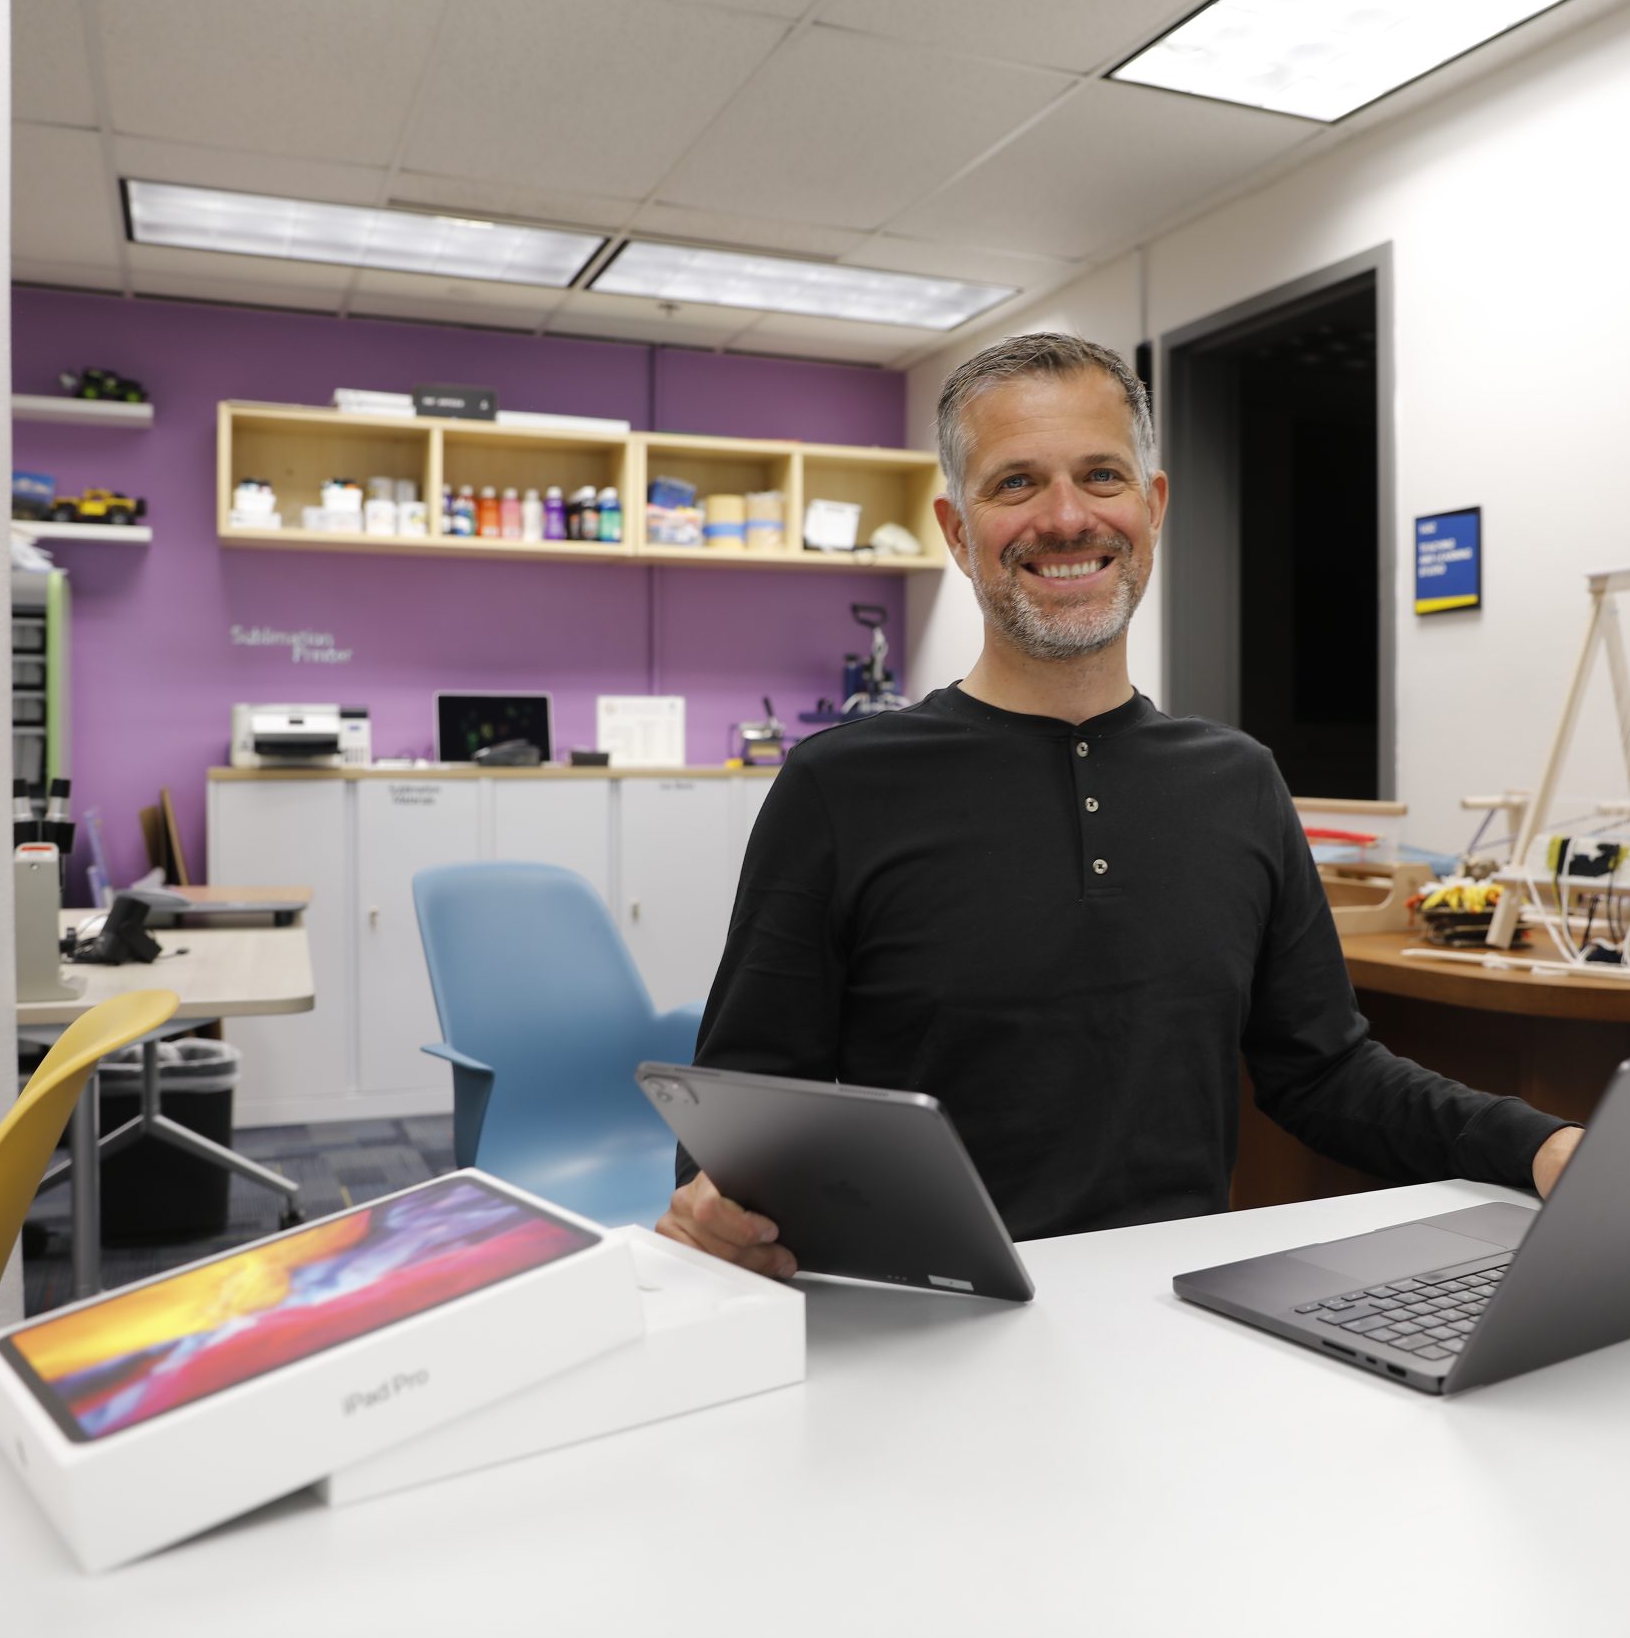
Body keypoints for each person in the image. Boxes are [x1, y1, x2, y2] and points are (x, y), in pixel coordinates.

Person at [658, 333, 1580, 1279]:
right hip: (932, 1320)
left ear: (1153, 504)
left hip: (1182, 1317)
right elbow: (739, 1114)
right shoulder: (839, 787)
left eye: (1102, 475)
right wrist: (718, 1210)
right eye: (1015, 483)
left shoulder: (1240, 781)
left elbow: (1326, 1073)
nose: (1066, 518)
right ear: (956, 529)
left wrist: (1539, 1146)